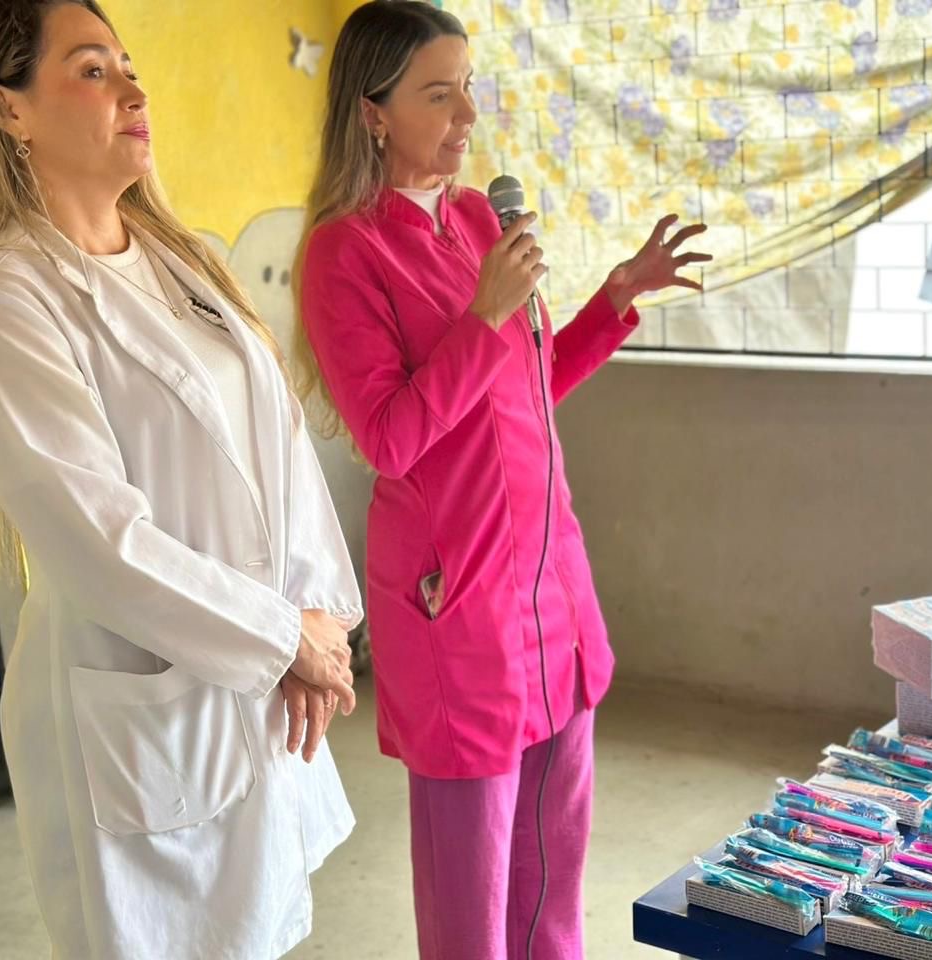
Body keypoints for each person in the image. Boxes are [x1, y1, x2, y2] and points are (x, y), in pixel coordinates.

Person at [0, 2, 361, 957]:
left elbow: (281, 442)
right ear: (9, 108)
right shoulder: (1, 309)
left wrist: (316, 615)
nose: (134, 89)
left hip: (253, 695)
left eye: (129, 65)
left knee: (259, 930)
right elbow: (102, 546)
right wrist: (279, 638)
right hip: (142, 719)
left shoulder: (180, 262)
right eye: (93, 70)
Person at [295, 3, 710, 957]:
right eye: (439, 95)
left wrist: (613, 299)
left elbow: (525, 387)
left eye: (469, 88)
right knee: (472, 910)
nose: (468, 116)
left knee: (553, 886)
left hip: (550, 595)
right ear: (372, 113)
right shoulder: (345, 252)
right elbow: (390, 438)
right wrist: (484, 315)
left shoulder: (480, 218)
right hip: (459, 613)